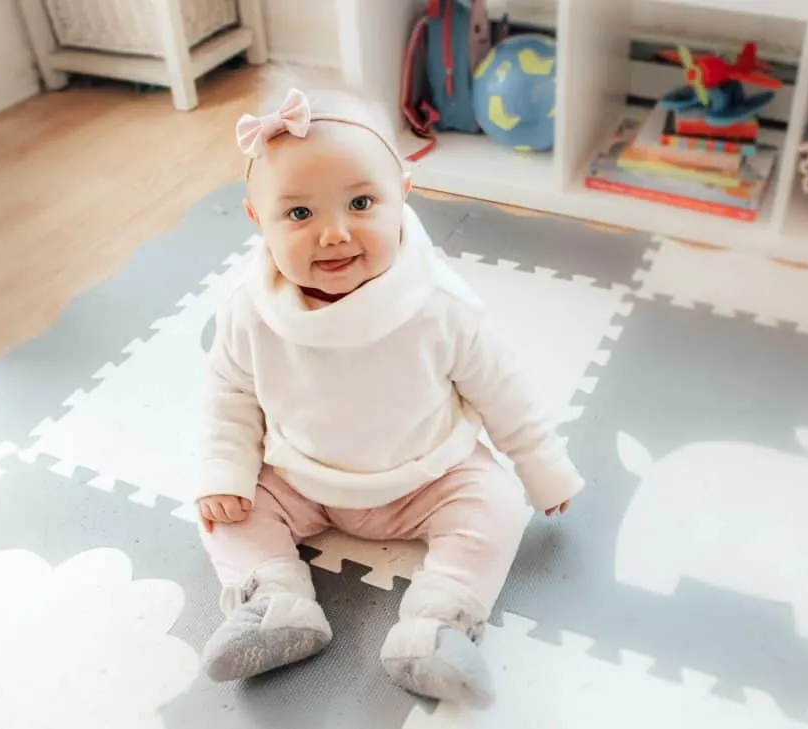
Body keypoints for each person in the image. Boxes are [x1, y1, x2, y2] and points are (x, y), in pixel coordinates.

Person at [195, 83, 584, 709]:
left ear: (402, 193)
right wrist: (225, 472)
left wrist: (543, 468)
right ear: (255, 219)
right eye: (300, 214)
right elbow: (230, 393)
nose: (334, 234)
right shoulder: (250, 310)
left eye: (360, 202)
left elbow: (500, 388)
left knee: (498, 506)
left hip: (428, 474)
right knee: (225, 511)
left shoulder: (439, 306)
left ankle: (437, 625)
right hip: (300, 474)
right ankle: (276, 604)